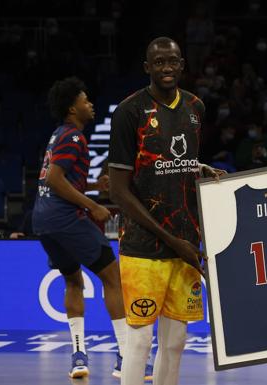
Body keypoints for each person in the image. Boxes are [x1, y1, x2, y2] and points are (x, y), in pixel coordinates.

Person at [108, 37, 223, 385]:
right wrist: (171, 240)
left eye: (172, 61)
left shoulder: (195, 107)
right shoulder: (129, 112)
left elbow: (175, 163)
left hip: (188, 242)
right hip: (144, 246)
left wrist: (200, 169)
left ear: (182, 64)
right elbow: (118, 190)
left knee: (175, 342)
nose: (166, 68)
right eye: (159, 62)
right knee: (139, 340)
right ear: (147, 68)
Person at [32, 77, 132, 379]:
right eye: (85, 100)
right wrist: (93, 206)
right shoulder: (75, 137)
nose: (90, 104)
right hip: (66, 219)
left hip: (44, 221)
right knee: (113, 278)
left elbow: (55, 179)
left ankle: (78, 357)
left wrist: (91, 185)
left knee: (73, 282)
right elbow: (54, 180)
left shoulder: (58, 135)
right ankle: (126, 356)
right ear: (72, 108)